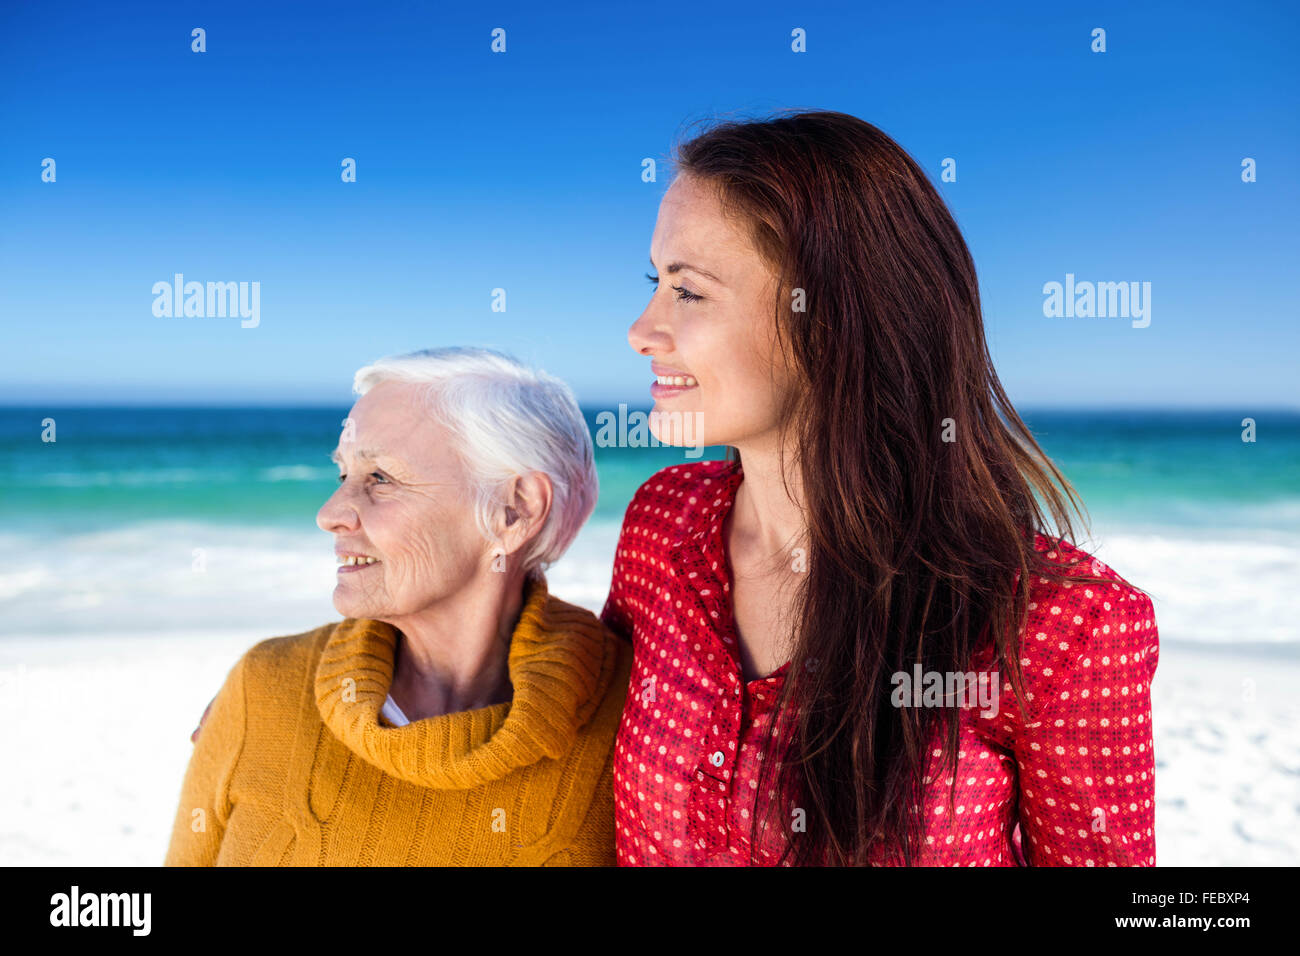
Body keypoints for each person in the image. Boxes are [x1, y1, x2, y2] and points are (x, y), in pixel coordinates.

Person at [601, 110, 1159, 866]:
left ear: (829, 320)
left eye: (688, 293)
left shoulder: (1060, 629)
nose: (641, 329)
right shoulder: (660, 527)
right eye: (654, 283)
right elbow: (575, 724)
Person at [166, 347, 631, 865]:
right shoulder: (264, 687)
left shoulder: (638, 720)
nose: (330, 513)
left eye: (381, 478)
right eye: (343, 476)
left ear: (514, 510)